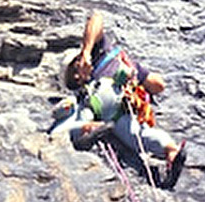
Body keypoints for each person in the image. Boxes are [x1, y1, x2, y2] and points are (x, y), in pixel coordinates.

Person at [55, 11, 187, 189]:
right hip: (104, 111)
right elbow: (158, 84)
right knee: (130, 132)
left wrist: (87, 53)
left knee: (137, 133)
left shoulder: (100, 52)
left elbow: (96, 17)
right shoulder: (82, 88)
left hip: (118, 105)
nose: (79, 75)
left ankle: (172, 152)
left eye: (76, 68)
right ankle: (90, 130)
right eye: (74, 76)